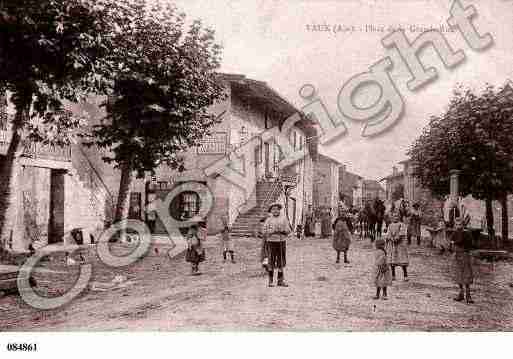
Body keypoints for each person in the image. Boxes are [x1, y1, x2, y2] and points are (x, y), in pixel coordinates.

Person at [263, 203, 291, 287]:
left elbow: (289, 230)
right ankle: (270, 281)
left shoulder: (284, 219)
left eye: (277, 209)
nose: (275, 211)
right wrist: (271, 231)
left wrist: (283, 230)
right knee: (271, 260)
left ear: (279, 210)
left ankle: (280, 280)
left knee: (281, 260)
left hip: (281, 241)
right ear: (271, 211)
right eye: (273, 209)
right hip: (271, 242)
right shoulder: (268, 220)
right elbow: (264, 231)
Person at [451, 217, 474, 304]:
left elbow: (470, 244)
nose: (458, 226)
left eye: (460, 224)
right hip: (457, 255)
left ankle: (468, 295)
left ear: (463, 225)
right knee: (458, 274)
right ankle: (461, 293)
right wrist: (453, 246)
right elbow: (452, 243)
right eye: (456, 224)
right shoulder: (455, 233)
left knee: (466, 274)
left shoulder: (467, 233)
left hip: (464, 255)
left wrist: (457, 243)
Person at [386, 212, 409, 281]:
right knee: (392, 261)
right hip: (392, 245)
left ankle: (405, 275)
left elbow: (402, 233)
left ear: (399, 217)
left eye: (397, 216)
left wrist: (397, 238)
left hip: (400, 245)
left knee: (402, 259)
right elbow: (388, 233)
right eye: (394, 216)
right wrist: (390, 238)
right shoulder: (390, 225)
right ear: (392, 218)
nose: (395, 218)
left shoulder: (402, 225)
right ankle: (393, 275)